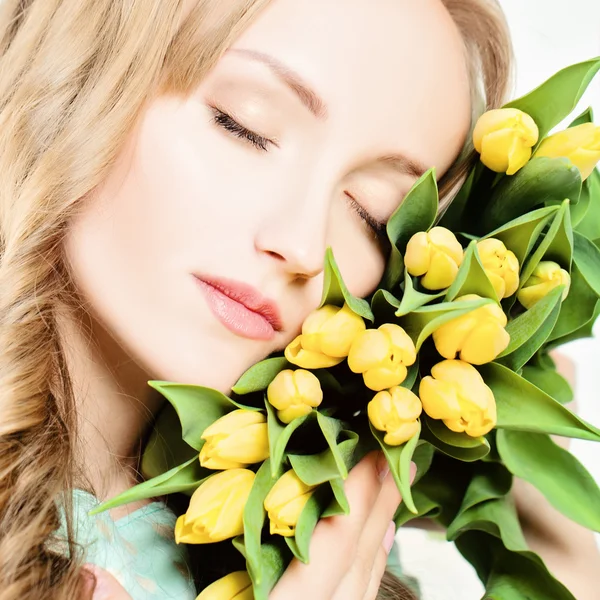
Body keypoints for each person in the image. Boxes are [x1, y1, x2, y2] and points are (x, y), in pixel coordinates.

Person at [2, 1, 593, 600]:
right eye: (243, 126)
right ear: (78, 78)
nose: (303, 244)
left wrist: (515, 473)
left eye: (372, 214)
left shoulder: (324, 563)